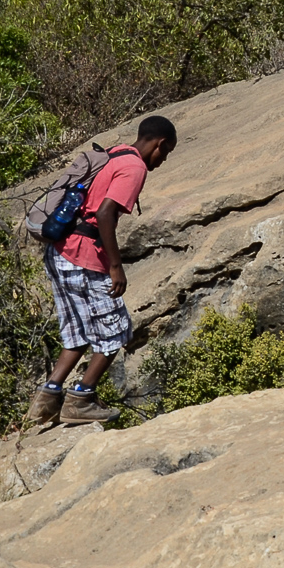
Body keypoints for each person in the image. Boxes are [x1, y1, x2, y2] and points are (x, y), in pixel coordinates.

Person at [26, 115, 178, 426]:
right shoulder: (134, 167)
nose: (163, 161)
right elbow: (106, 213)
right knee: (116, 330)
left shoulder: (117, 151)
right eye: (166, 153)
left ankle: (46, 399)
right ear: (159, 144)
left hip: (59, 253)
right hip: (84, 257)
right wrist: (115, 266)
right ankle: (81, 398)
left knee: (77, 332)